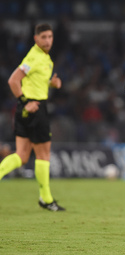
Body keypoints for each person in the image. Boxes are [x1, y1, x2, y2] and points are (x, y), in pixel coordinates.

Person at [0, 23, 65, 211]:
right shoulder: (34, 56)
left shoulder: (44, 58)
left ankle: (46, 198)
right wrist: (24, 100)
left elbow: (34, 82)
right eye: (43, 37)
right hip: (35, 108)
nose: (47, 41)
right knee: (43, 154)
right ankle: (46, 198)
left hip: (26, 109)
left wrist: (51, 84)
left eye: (50, 37)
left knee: (21, 156)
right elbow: (13, 80)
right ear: (36, 39)